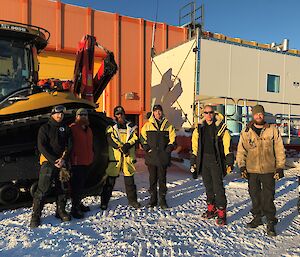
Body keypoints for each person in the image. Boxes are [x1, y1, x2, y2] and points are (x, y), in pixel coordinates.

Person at [236, 104, 286, 236]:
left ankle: (270, 220)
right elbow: (241, 150)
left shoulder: (272, 130)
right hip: (252, 170)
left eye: (261, 114)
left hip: (269, 169)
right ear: (253, 115)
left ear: (263, 115)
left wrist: (280, 167)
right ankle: (257, 217)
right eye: (257, 114)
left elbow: (279, 149)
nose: (259, 116)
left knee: (268, 197)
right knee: (254, 195)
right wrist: (241, 166)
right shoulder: (246, 131)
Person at [190, 105, 234, 226]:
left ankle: (221, 213)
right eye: (206, 112)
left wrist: (229, 159)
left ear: (214, 114)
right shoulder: (199, 128)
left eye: (210, 112)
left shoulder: (220, 127)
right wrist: (193, 159)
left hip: (216, 161)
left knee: (218, 187)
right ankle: (211, 208)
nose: (208, 115)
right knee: (208, 186)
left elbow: (227, 144)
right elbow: (195, 145)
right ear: (203, 114)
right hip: (204, 161)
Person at [30, 105, 72, 228]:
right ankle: (36, 216)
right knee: (42, 190)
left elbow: (70, 146)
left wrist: (64, 159)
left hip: (63, 163)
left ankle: (61, 211)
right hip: (48, 162)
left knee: (62, 188)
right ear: (52, 114)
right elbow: (42, 146)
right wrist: (55, 160)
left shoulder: (66, 128)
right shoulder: (45, 128)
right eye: (58, 114)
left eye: (62, 114)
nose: (60, 116)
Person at [100, 106, 140, 210]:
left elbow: (135, 139)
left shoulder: (131, 126)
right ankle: (104, 202)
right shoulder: (111, 126)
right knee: (110, 182)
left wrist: (127, 146)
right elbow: (110, 139)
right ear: (115, 115)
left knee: (130, 181)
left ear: (124, 114)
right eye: (118, 114)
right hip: (115, 158)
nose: (120, 116)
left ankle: (133, 201)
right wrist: (119, 147)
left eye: (121, 113)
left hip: (127, 158)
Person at [140, 104, 176, 209]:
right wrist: (147, 149)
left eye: (159, 111)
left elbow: (173, 139)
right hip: (151, 157)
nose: (158, 113)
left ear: (162, 112)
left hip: (163, 158)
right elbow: (142, 138)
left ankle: (163, 200)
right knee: (152, 179)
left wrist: (168, 149)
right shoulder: (147, 125)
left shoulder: (168, 125)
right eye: (156, 111)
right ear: (153, 113)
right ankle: (153, 199)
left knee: (162, 179)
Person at [69, 108, 94, 219]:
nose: (83, 117)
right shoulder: (72, 128)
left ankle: (78, 203)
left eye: (85, 115)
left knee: (82, 185)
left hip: (87, 161)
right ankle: (75, 209)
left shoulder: (88, 129)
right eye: (81, 115)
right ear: (76, 117)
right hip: (77, 162)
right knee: (76, 186)